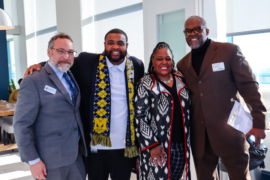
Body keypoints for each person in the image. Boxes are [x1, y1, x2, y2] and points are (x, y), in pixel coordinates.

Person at [24, 28, 145, 180]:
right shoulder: (88, 61)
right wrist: (39, 65)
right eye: (110, 43)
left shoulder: (137, 65)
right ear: (104, 45)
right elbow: (63, 61)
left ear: (127, 45)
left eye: (120, 43)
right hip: (95, 145)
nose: (115, 47)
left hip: (125, 145)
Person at [177, 16, 269, 180]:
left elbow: (249, 86)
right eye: (188, 31)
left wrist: (259, 121)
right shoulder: (182, 64)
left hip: (230, 133)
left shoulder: (229, 51)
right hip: (200, 138)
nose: (193, 34)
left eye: (197, 29)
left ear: (206, 31)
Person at [13, 33, 87, 180]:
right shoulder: (33, 80)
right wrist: (33, 160)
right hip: (50, 160)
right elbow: (21, 124)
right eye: (60, 51)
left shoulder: (70, 74)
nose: (66, 56)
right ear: (49, 52)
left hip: (75, 156)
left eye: (70, 52)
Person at [135, 42, 191, 180]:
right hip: (157, 147)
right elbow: (139, 117)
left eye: (168, 58)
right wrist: (152, 145)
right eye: (159, 59)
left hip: (181, 146)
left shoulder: (181, 80)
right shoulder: (145, 83)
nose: (164, 62)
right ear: (152, 61)